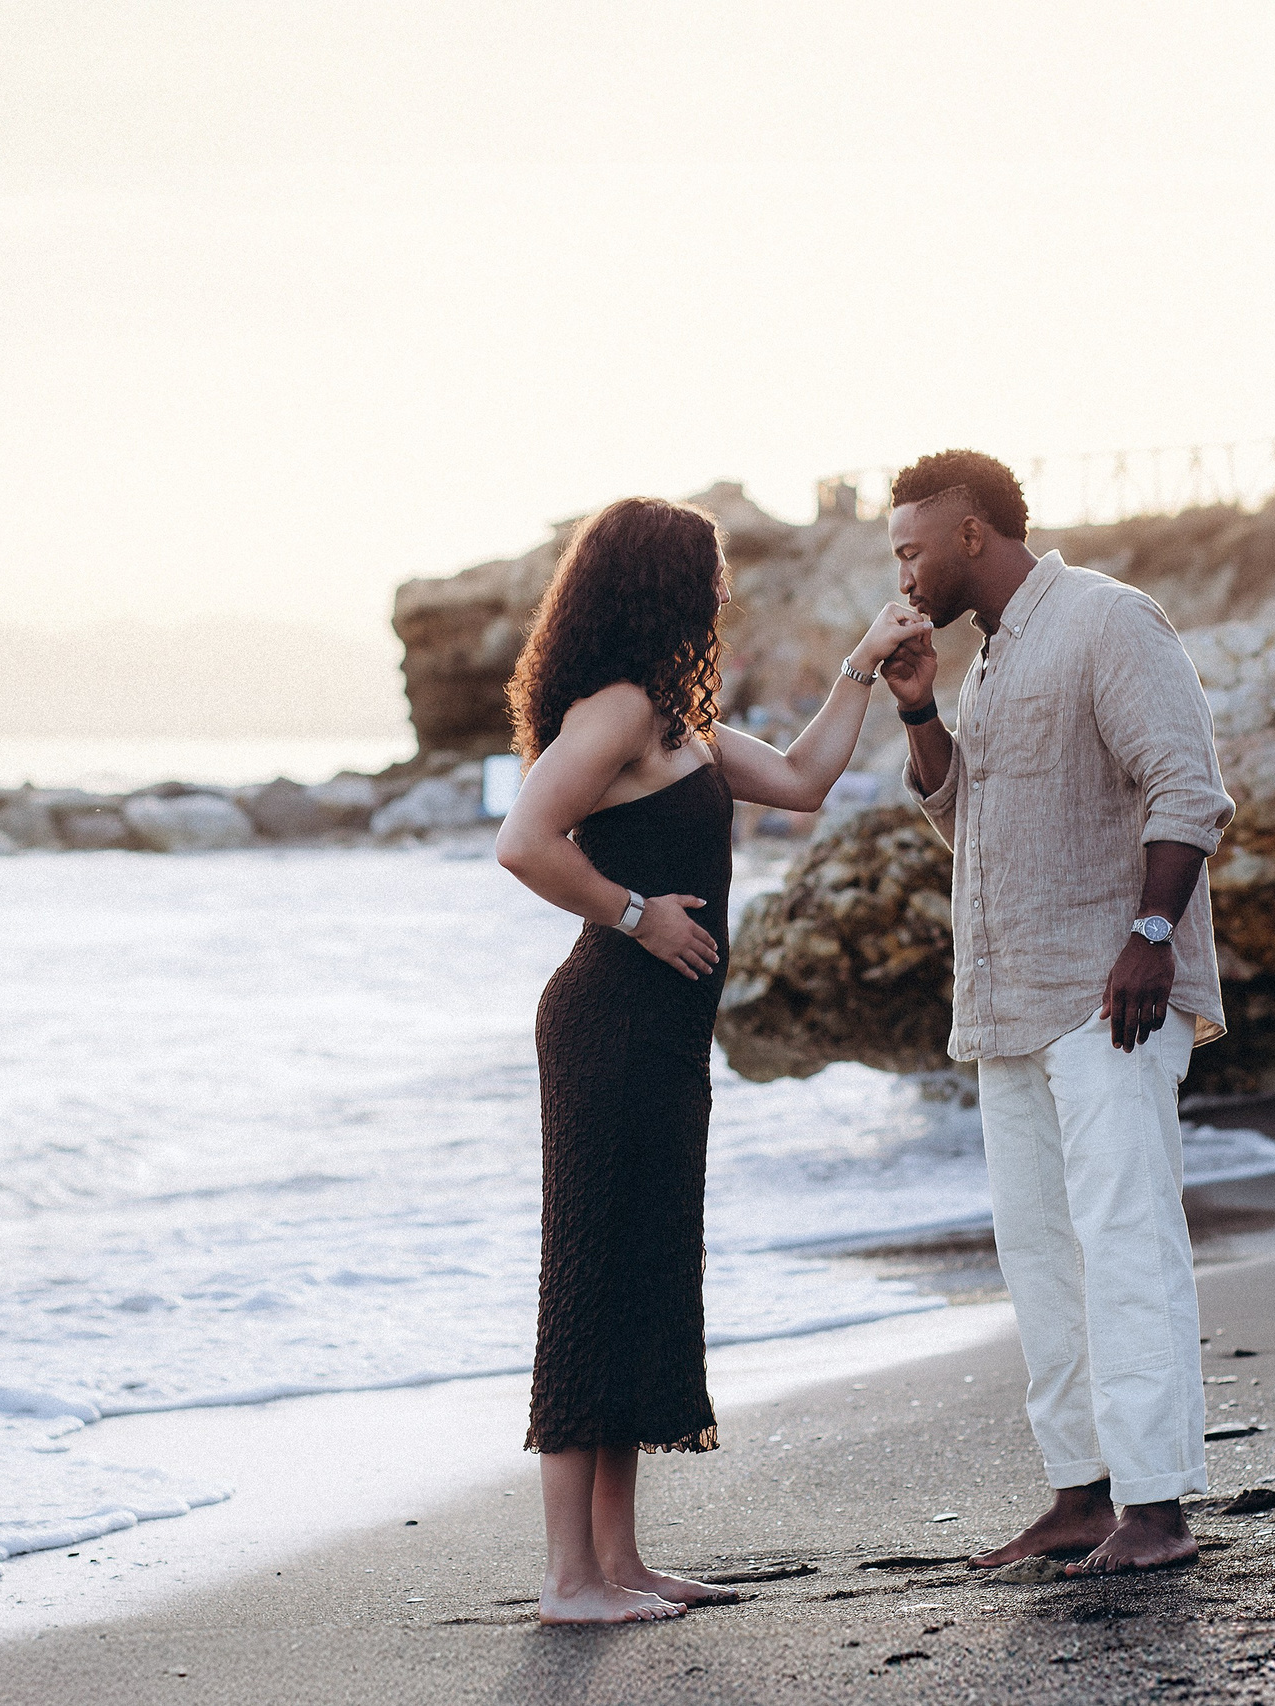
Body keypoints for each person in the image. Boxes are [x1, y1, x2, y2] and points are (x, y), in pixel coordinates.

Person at [494, 494, 930, 1624]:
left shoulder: (676, 720)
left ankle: (620, 1563)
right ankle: (567, 1580)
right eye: (711, 572)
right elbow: (523, 839)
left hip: (661, 1034)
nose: (725, 589)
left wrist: (860, 670)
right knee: (593, 1278)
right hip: (608, 1024)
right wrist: (636, 913)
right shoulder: (620, 708)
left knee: (644, 1274)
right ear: (663, 585)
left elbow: (799, 779)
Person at [874, 449, 1237, 1576]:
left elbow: (1188, 787)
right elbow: (971, 831)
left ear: (971, 532)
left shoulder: (1106, 620)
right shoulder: (988, 663)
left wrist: (1151, 936)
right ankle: (1081, 1492)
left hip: (1107, 995)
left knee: (1126, 1237)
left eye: (910, 546)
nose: (901, 568)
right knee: (1039, 1254)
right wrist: (921, 708)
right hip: (1008, 1008)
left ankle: (1158, 1504)